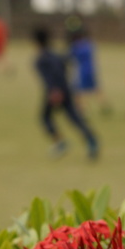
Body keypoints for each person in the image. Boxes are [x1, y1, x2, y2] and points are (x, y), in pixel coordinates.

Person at [32, 27, 99, 160]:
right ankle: (91, 139)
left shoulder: (41, 59)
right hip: (66, 89)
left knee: (45, 117)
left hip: (55, 91)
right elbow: (66, 63)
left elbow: (51, 75)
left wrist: (55, 90)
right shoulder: (55, 55)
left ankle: (60, 142)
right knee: (73, 117)